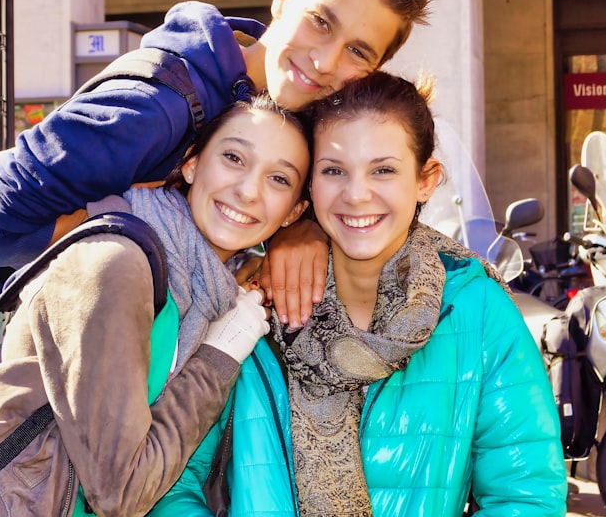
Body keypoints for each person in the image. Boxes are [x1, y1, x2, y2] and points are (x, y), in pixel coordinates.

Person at [0, 0, 432, 326]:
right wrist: (131, 237)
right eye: (321, 22)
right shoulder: (157, 108)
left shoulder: (308, 120)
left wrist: (298, 229)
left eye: (357, 51)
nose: (326, 60)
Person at [151, 72, 568, 516]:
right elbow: (174, 483)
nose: (356, 194)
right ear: (309, 187)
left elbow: (527, 497)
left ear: (426, 180)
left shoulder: (474, 307)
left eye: (383, 170)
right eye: (333, 171)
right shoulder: (251, 301)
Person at [0, 94, 312, 517]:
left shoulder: (217, 285)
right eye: (234, 157)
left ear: (294, 212)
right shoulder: (114, 266)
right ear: (192, 163)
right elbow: (121, 493)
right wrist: (219, 357)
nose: (249, 190)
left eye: (279, 180)